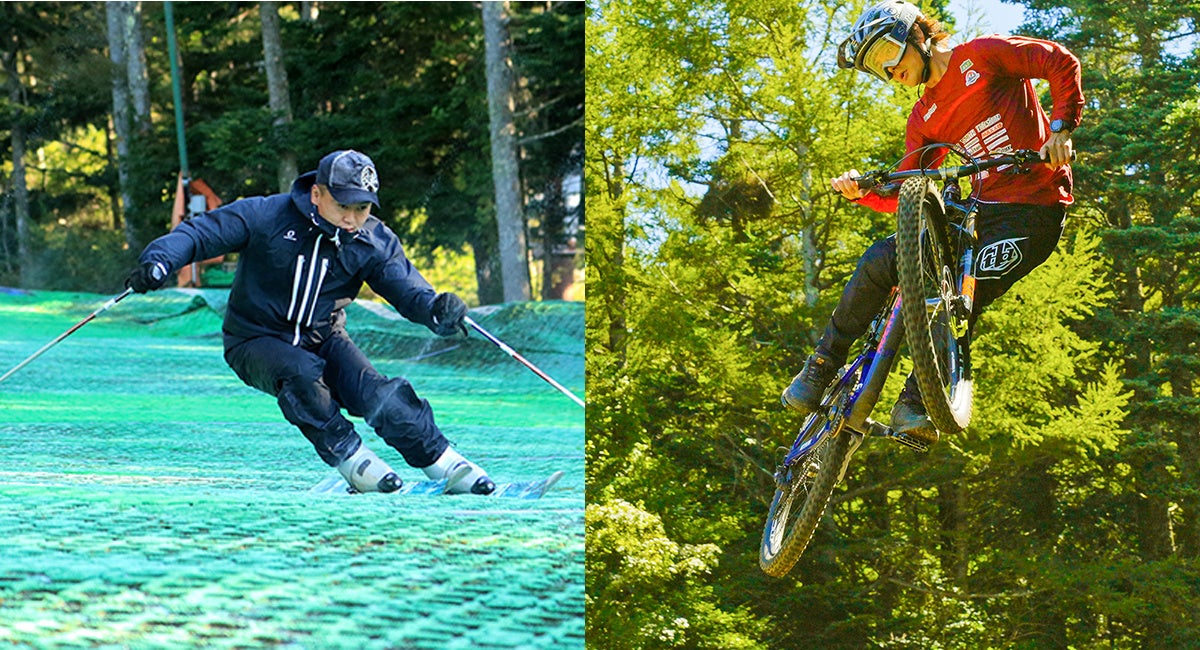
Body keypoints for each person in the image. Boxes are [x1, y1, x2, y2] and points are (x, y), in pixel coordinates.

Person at [781, 0, 1083, 445]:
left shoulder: (982, 55)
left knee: (965, 290)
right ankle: (822, 365)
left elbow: (1059, 62)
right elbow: (907, 188)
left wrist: (1060, 127)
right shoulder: (924, 118)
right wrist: (862, 190)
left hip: (1032, 212)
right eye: (876, 68)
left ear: (918, 35)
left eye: (888, 53)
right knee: (884, 257)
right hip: (975, 215)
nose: (889, 71)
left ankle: (920, 401)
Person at [126, 149, 495, 495]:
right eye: (344, 206)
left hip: (325, 337)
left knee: (380, 394)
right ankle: (353, 458)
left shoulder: (370, 240)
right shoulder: (266, 215)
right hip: (254, 339)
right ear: (317, 194)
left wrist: (436, 311)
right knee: (302, 373)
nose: (352, 218)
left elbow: (408, 291)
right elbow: (199, 233)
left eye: (363, 208)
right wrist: (159, 261)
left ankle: (445, 463)